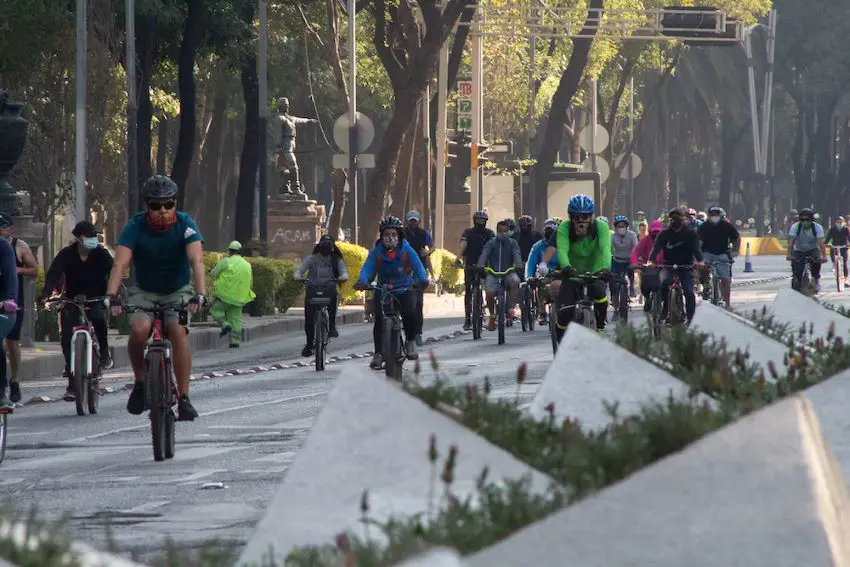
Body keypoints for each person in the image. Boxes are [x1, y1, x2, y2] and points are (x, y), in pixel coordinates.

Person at [107, 175, 206, 421]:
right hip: (144, 291)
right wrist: (111, 295)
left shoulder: (186, 224)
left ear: (175, 204)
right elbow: (120, 263)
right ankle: (141, 381)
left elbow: (197, 260)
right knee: (140, 330)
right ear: (146, 206)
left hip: (177, 290)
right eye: (155, 205)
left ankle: (184, 398)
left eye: (168, 205)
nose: (162, 211)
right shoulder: (135, 226)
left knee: (177, 330)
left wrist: (201, 293)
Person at [39, 221, 114, 401]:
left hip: (96, 297)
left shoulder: (102, 255)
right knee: (66, 334)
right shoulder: (67, 254)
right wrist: (46, 294)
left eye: (94, 236)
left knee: (97, 317)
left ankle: (104, 352)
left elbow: (114, 273)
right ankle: (73, 382)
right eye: (88, 237)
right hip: (72, 299)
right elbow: (54, 273)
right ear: (78, 238)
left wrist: (114, 294)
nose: (92, 240)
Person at [355, 216, 428, 370]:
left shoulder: (407, 250)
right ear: (381, 236)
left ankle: (410, 342)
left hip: (403, 288)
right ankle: (378, 354)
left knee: (409, 313)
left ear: (400, 236)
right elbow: (367, 268)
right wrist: (362, 281)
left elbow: (418, 267)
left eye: (394, 235)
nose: (390, 238)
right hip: (383, 289)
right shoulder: (377, 251)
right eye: (387, 234)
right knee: (379, 320)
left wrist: (423, 279)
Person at [539, 194, 611, 338]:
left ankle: (601, 326)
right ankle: (560, 343)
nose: (581, 222)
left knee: (600, 295)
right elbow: (562, 250)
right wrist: (565, 266)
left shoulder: (601, 227)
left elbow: (605, 249)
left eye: (585, 217)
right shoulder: (564, 228)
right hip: (572, 274)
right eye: (576, 217)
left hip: (595, 272)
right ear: (570, 217)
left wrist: (605, 268)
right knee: (565, 313)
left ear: (591, 217)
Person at [0, 214, 37, 403]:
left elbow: (34, 270)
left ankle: (13, 380)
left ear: (10, 229)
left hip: (10, 302)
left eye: (3, 228)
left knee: (12, 343)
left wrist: (16, 270)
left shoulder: (18, 246)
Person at [293, 235, 347, 357]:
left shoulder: (336, 260)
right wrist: (297, 276)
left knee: (333, 301)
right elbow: (300, 270)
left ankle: (332, 326)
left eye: (329, 245)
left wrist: (342, 277)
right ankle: (309, 344)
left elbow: (343, 272)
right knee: (309, 319)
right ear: (319, 246)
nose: (326, 248)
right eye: (324, 245)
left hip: (329, 289)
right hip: (313, 289)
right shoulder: (311, 259)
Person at [649, 207, 703, 324]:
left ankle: (690, 318)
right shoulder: (664, 234)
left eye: (678, 218)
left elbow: (696, 250)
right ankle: (665, 308)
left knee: (689, 292)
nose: (674, 221)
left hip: (686, 266)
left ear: (683, 219)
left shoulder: (690, 234)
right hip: (668, 266)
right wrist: (651, 261)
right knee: (664, 284)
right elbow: (656, 249)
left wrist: (700, 261)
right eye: (672, 218)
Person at [478, 219, 523, 331]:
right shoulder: (491, 243)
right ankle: (492, 315)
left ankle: (511, 309)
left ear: (508, 231)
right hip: (493, 273)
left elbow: (516, 254)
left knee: (515, 282)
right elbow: (484, 254)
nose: (503, 233)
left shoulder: (512, 243)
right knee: (489, 293)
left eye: (505, 231)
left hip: (508, 272)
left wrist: (518, 265)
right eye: (501, 231)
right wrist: (480, 264)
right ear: (497, 231)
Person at [209, 241, 256, 349]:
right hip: (240, 298)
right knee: (236, 319)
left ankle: (225, 325)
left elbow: (213, 273)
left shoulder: (226, 261)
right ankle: (234, 342)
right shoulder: (247, 264)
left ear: (229, 251)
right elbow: (251, 282)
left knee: (216, 311)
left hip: (224, 296)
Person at [274, 97, 319, 196]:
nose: (287, 107)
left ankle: (285, 187)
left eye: (287, 105)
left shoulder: (289, 118)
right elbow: (278, 134)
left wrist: (309, 121)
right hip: (285, 146)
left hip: (291, 144)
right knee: (293, 166)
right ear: (280, 106)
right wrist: (278, 148)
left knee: (286, 168)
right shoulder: (279, 118)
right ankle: (296, 188)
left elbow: (299, 120)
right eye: (285, 105)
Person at [459, 210, 495, 330]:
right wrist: (458, 257)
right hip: (470, 264)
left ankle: (492, 314)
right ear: (474, 221)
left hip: (486, 265)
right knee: (469, 291)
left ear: (486, 221)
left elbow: (493, 247)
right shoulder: (468, 232)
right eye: (478, 220)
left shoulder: (489, 233)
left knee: (490, 289)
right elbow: (463, 244)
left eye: (482, 220)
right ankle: (467, 319)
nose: (480, 222)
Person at [698, 206, 740, 308]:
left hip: (722, 254)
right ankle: (705, 285)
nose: (714, 217)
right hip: (707, 253)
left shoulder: (727, 226)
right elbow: (699, 242)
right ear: (709, 216)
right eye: (712, 215)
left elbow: (736, 238)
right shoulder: (703, 227)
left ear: (720, 216)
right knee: (701, 267)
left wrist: (735, 250)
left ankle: (728, 303)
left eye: (716, 215)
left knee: (726, 279)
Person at [405, 210, 433, 346]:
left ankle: (418, 333)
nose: (413, 223)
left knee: (418, 304)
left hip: (419, 269)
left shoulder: (423, 234)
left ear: (419, 221)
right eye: (411, 220)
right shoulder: (402, 234)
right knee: (406, 305)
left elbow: (432, 246)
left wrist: (428, 252)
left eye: (415, 220)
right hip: (404, 270)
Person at [525, 218, 560, 324]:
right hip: (543, 274)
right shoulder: (537, 246)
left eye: (552, 232)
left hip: (560, 273)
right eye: (547, 232)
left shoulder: (562, 244)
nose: (549, 235)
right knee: (539, 284)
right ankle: (542, 312)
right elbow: (530, 262)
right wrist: (529, 276)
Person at [787, 208, 827, 292]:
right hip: (799, 250)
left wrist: (824, 256)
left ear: (812, 220)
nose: (805, 222)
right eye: (802, 220)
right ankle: (797, 280)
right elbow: (791, 242)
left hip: (813, 249)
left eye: (807, 220)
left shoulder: (817, 227)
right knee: (797, 267)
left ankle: (816, 280)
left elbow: (821, 243)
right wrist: (789, 254)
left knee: (817, 261)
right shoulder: (795, 227)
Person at [631, 219, 664, 312]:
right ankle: (647, 298)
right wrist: (635, 263)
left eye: (658, 232)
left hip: (662, 267)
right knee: (645, 284)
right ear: (650, 231)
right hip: (647, 267)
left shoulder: (665, 240)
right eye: (654, 232)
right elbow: (636, 252)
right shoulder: (646, 240)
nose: (656, 234)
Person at [0, 237, 18, 409]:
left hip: (3, 309)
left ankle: (1, 392)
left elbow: (11, 281)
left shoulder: (3, 248)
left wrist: (9, 300)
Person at [611, 215, 638, 312]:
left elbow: (636, 247)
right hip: (616, 260)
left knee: (630, 271)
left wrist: (635, 260)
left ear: (627, 226)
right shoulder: (612, 236)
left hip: (628, 260)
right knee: (614, 283)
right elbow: (608, 248)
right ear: (616, 227)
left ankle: (631, 288)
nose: (621, 228)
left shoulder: (632, 235)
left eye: (623, 226)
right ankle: (615, 307)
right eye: (619, 226)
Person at [825, 216, 850, 286]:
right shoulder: (832, 230)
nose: (840, 223)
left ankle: (846, 279)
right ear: (835, 222)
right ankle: (834, 265)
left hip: (843, 246)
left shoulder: (846, 229)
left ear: (844, 222)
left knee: (844, 263)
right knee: (833, 255)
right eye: (838, 222)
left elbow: (849, 238)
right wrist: (825, 244)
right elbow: (828, 238)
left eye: (841, 222)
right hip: (834, 246)